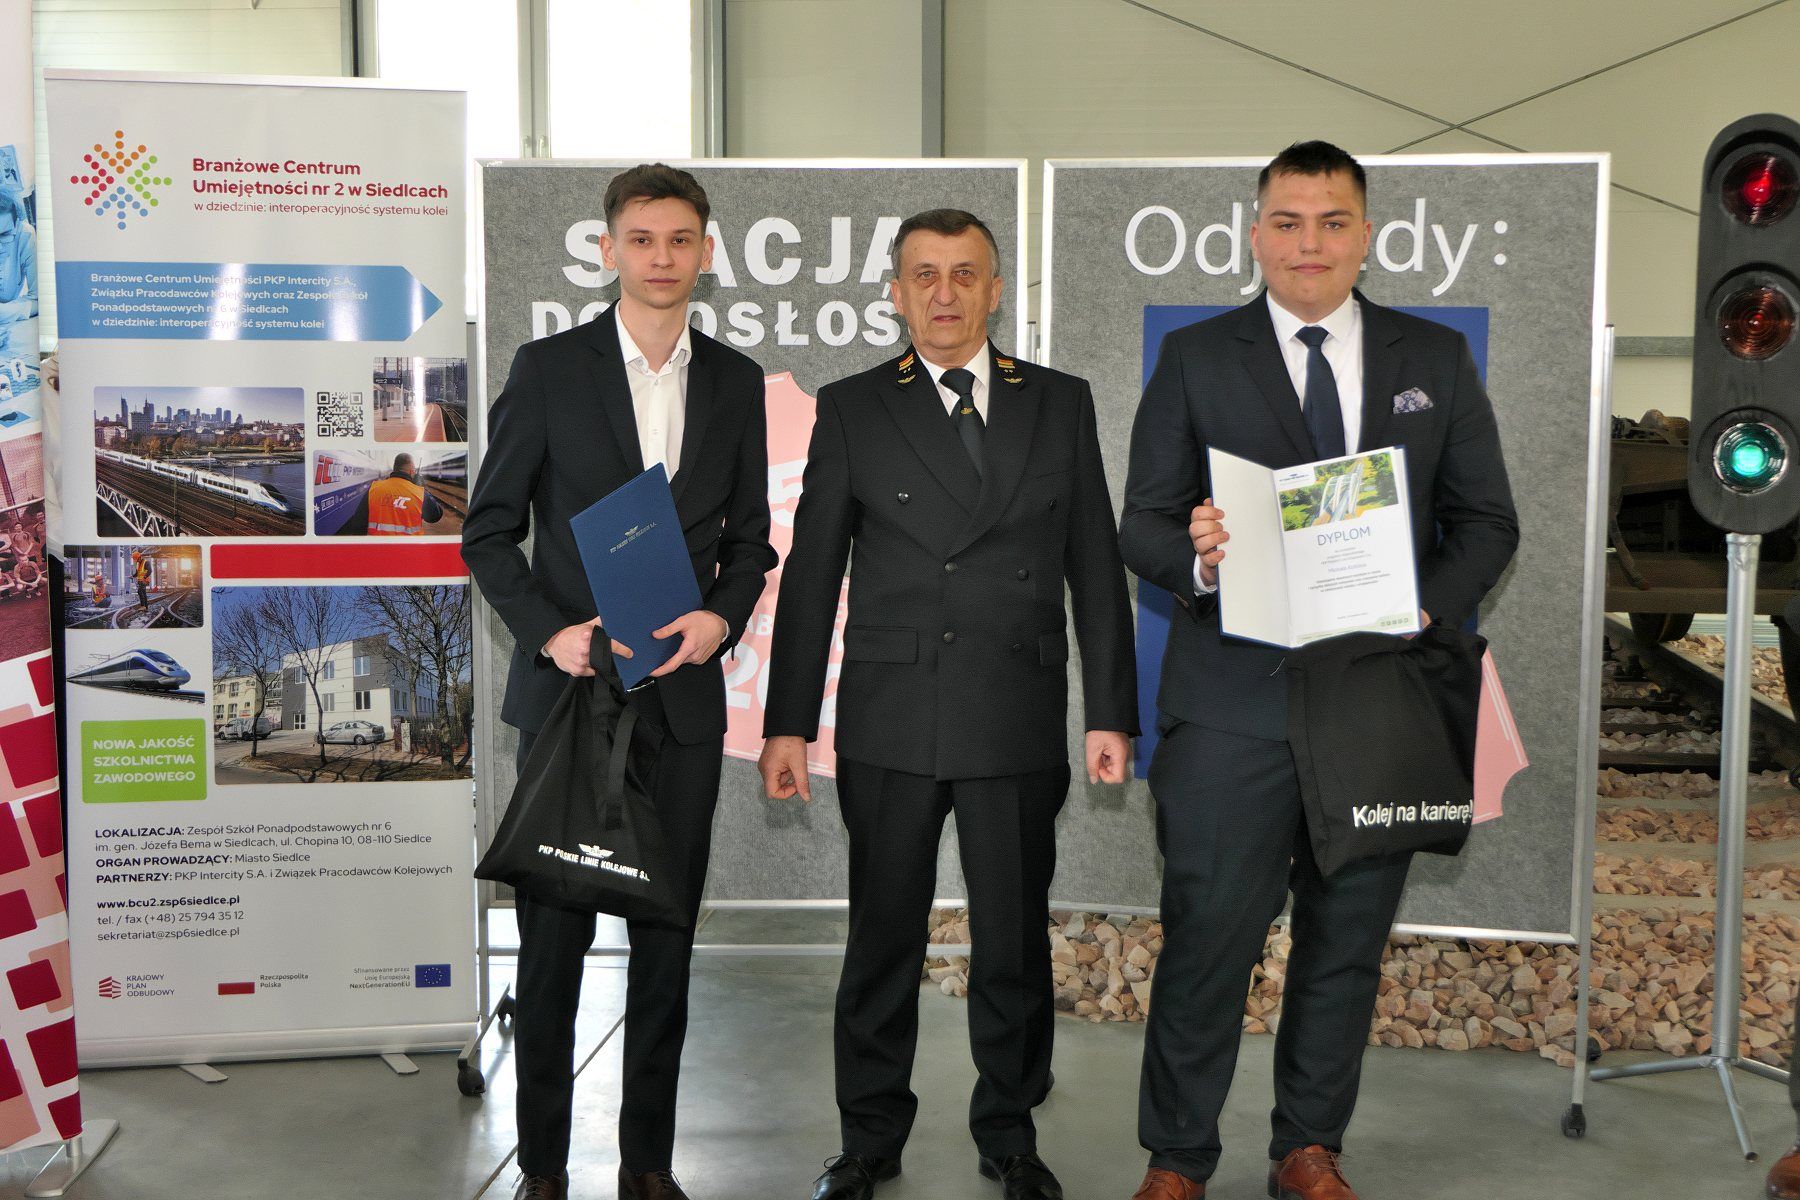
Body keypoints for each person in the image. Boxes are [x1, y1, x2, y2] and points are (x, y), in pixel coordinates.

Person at [1118, 141, 1519, 1200]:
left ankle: (1308, 1147)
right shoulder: (1197, 357)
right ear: (1255, 235)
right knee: (1208, 939)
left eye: (1332, 221)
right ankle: (1176, 1158)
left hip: (1378, 701)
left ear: (1365, 235)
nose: (1310, 243)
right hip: (1230, 705)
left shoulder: (1434, 358)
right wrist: (1199, 556)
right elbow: (1142, 523)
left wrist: (1422, 603)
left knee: (1345, 944)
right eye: (1288, 222)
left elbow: (1487, 521)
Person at [759, 208, 1138, 1200]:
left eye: (964, 273)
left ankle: (1010, 1135)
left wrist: (1110, 711)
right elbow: (812, 573)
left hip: (1014, 709)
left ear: (995, 290)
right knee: (883, 938)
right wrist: (787, 723)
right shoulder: (853, 407)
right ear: (895, 293)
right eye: (923, 274)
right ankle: (868, 1139)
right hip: (892, 713)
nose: (944, 292)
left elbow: (1095, 564)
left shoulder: (1059, 402)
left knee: (1012, 941)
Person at [462, 163, 777, 1200]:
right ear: (608, 250)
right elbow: (489, 531)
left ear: (706, 254)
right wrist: (549, 635)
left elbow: (751, 540)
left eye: (680, 239)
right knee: (552, 952)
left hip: (680, 706)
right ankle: (544, 1170)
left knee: (668, 945)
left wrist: (720, 617)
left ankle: (647, 1166)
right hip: (568, 703)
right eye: (641, 239)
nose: (661, 257)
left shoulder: (733, 380)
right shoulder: (550, 369)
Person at [366, 452, 444, 535]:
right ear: (411, 471)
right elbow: (435, 516)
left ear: (394, 469)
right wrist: (421, 487)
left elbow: (359, 520)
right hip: (410, 543)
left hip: (378, 543)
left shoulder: (373, 488)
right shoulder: (420, 493)